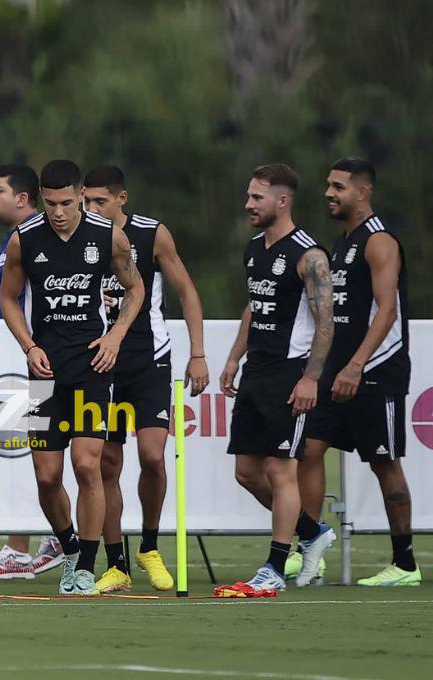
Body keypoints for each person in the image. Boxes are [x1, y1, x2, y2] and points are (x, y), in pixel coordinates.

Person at [0, 159, 144, 596]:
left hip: (92, 368)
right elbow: (9, 299)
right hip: (44, 372)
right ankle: (67, 547)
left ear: (81, 195)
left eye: (66, 202)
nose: (58, 212)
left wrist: (116, 334)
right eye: (50, 203)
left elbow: (135, 289)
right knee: (46, 476)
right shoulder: (24, 239)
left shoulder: (108, 236)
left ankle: (85, 565)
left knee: (87, 466)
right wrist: (30, 346)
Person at [82, 164, 210, 593]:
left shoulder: (151, 233)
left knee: (154, 456)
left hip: (147, 359)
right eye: (86, 201)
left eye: (100, 201)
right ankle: (116, 563)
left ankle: (150, 547)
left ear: (122, 199)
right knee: (107, 463)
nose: (91, 208)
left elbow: (187, 291)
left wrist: (197, 354)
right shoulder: (79, 235)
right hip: (100, 360)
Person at [299, 157, 420, 587]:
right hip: (338, 371)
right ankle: (312, 544)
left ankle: (405, 563)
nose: (329, 193)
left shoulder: (379, 240)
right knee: (308, 449)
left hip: (375, 371)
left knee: (385, 464)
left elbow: (387, 312)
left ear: (363, 192)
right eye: (328, 185)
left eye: (338, 187)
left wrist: (355, 366)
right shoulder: (342, 243)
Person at [216, 164, 334, 597]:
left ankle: (275, 566)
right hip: (256, 372)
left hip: (290, 373)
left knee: (280, 470)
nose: (248, 204)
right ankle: (312, 532)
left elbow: (326, 324)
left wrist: (310, 379)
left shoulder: (310, 255)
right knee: (247, 473)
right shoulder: (253, 249)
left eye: (257, 198)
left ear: (281, 202)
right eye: (248, 196)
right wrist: (233, 358)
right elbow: (254, 306)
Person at [0, 163, 64, 581]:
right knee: (21, 451)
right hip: (4, 359)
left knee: (28, 451)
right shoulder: (12, 239)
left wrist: (26, 346)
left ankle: (20, 548)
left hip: (25, 360)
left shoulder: (36, 239)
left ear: (22, 198)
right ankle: (47, 538)